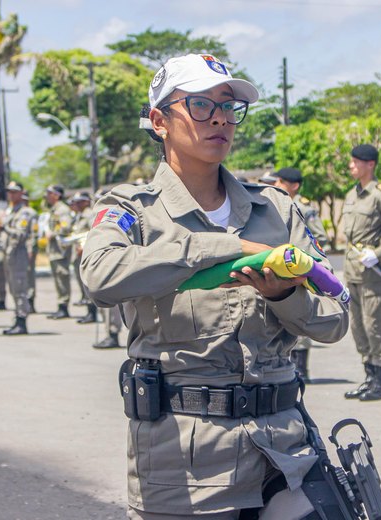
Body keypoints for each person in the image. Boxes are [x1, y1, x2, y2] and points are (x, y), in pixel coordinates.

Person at [81, 53, 349, 519]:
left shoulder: (276, 210)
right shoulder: (133, 209)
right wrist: (219, 248)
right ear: (161, 121)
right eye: (202, 106)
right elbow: (100, 276)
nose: (221, 118)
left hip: (283, 452)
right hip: (184, 462)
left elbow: (335, 320)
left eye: (229, 107)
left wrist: (284, 295)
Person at [342, 143, 381, 401]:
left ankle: (380, 379)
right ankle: (368, 375)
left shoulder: (380, 195)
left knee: (373, 324)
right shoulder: (352, 195)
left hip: (372, 270)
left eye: (356, 162)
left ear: (370, 164)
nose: (351, 166)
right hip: (352, 268)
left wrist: (379, 251)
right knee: (357, 325)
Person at [267, 167, 330, 381]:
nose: (277, 185)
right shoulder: (273, 205)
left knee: (302, 320)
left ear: (294, 185)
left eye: (282, 182)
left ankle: (303, 369)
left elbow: (319, 237)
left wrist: (307, 259)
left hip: (301, 269)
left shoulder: (304, 208)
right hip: (281, 268)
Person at [0, 182, 37, 335]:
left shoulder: (25, 212)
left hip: (19, 253)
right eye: (9, 192)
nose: (11, 195)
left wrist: (3, 226)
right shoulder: (8, 211)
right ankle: (17, 318)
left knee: (19, 288)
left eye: (14, 192)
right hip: (8, 252)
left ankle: (22, 320)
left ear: (21, 193)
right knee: (13, 288)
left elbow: (21, 234)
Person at [45, 184, 74, 320]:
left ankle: (64, 306)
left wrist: (53, 233)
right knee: (57, 277)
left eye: (49, 193)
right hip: (54, 248)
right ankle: (61, 305)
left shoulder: (62, 209)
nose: (47, 196)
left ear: (57, 195)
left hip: (60, 249)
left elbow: (66, 227)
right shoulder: (54, 209)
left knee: (62, 276)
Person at [70, 191, 97, 324]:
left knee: (87, 282)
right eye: (76, 201)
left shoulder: (89, 214)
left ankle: (92, 312)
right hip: (78, 253)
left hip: (85, 252)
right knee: (82, 283)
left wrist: (85, 245)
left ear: (87, 201)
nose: (77, 204)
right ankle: (89, 310)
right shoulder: (79, 215)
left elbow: (94, 230)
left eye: (80, 201)